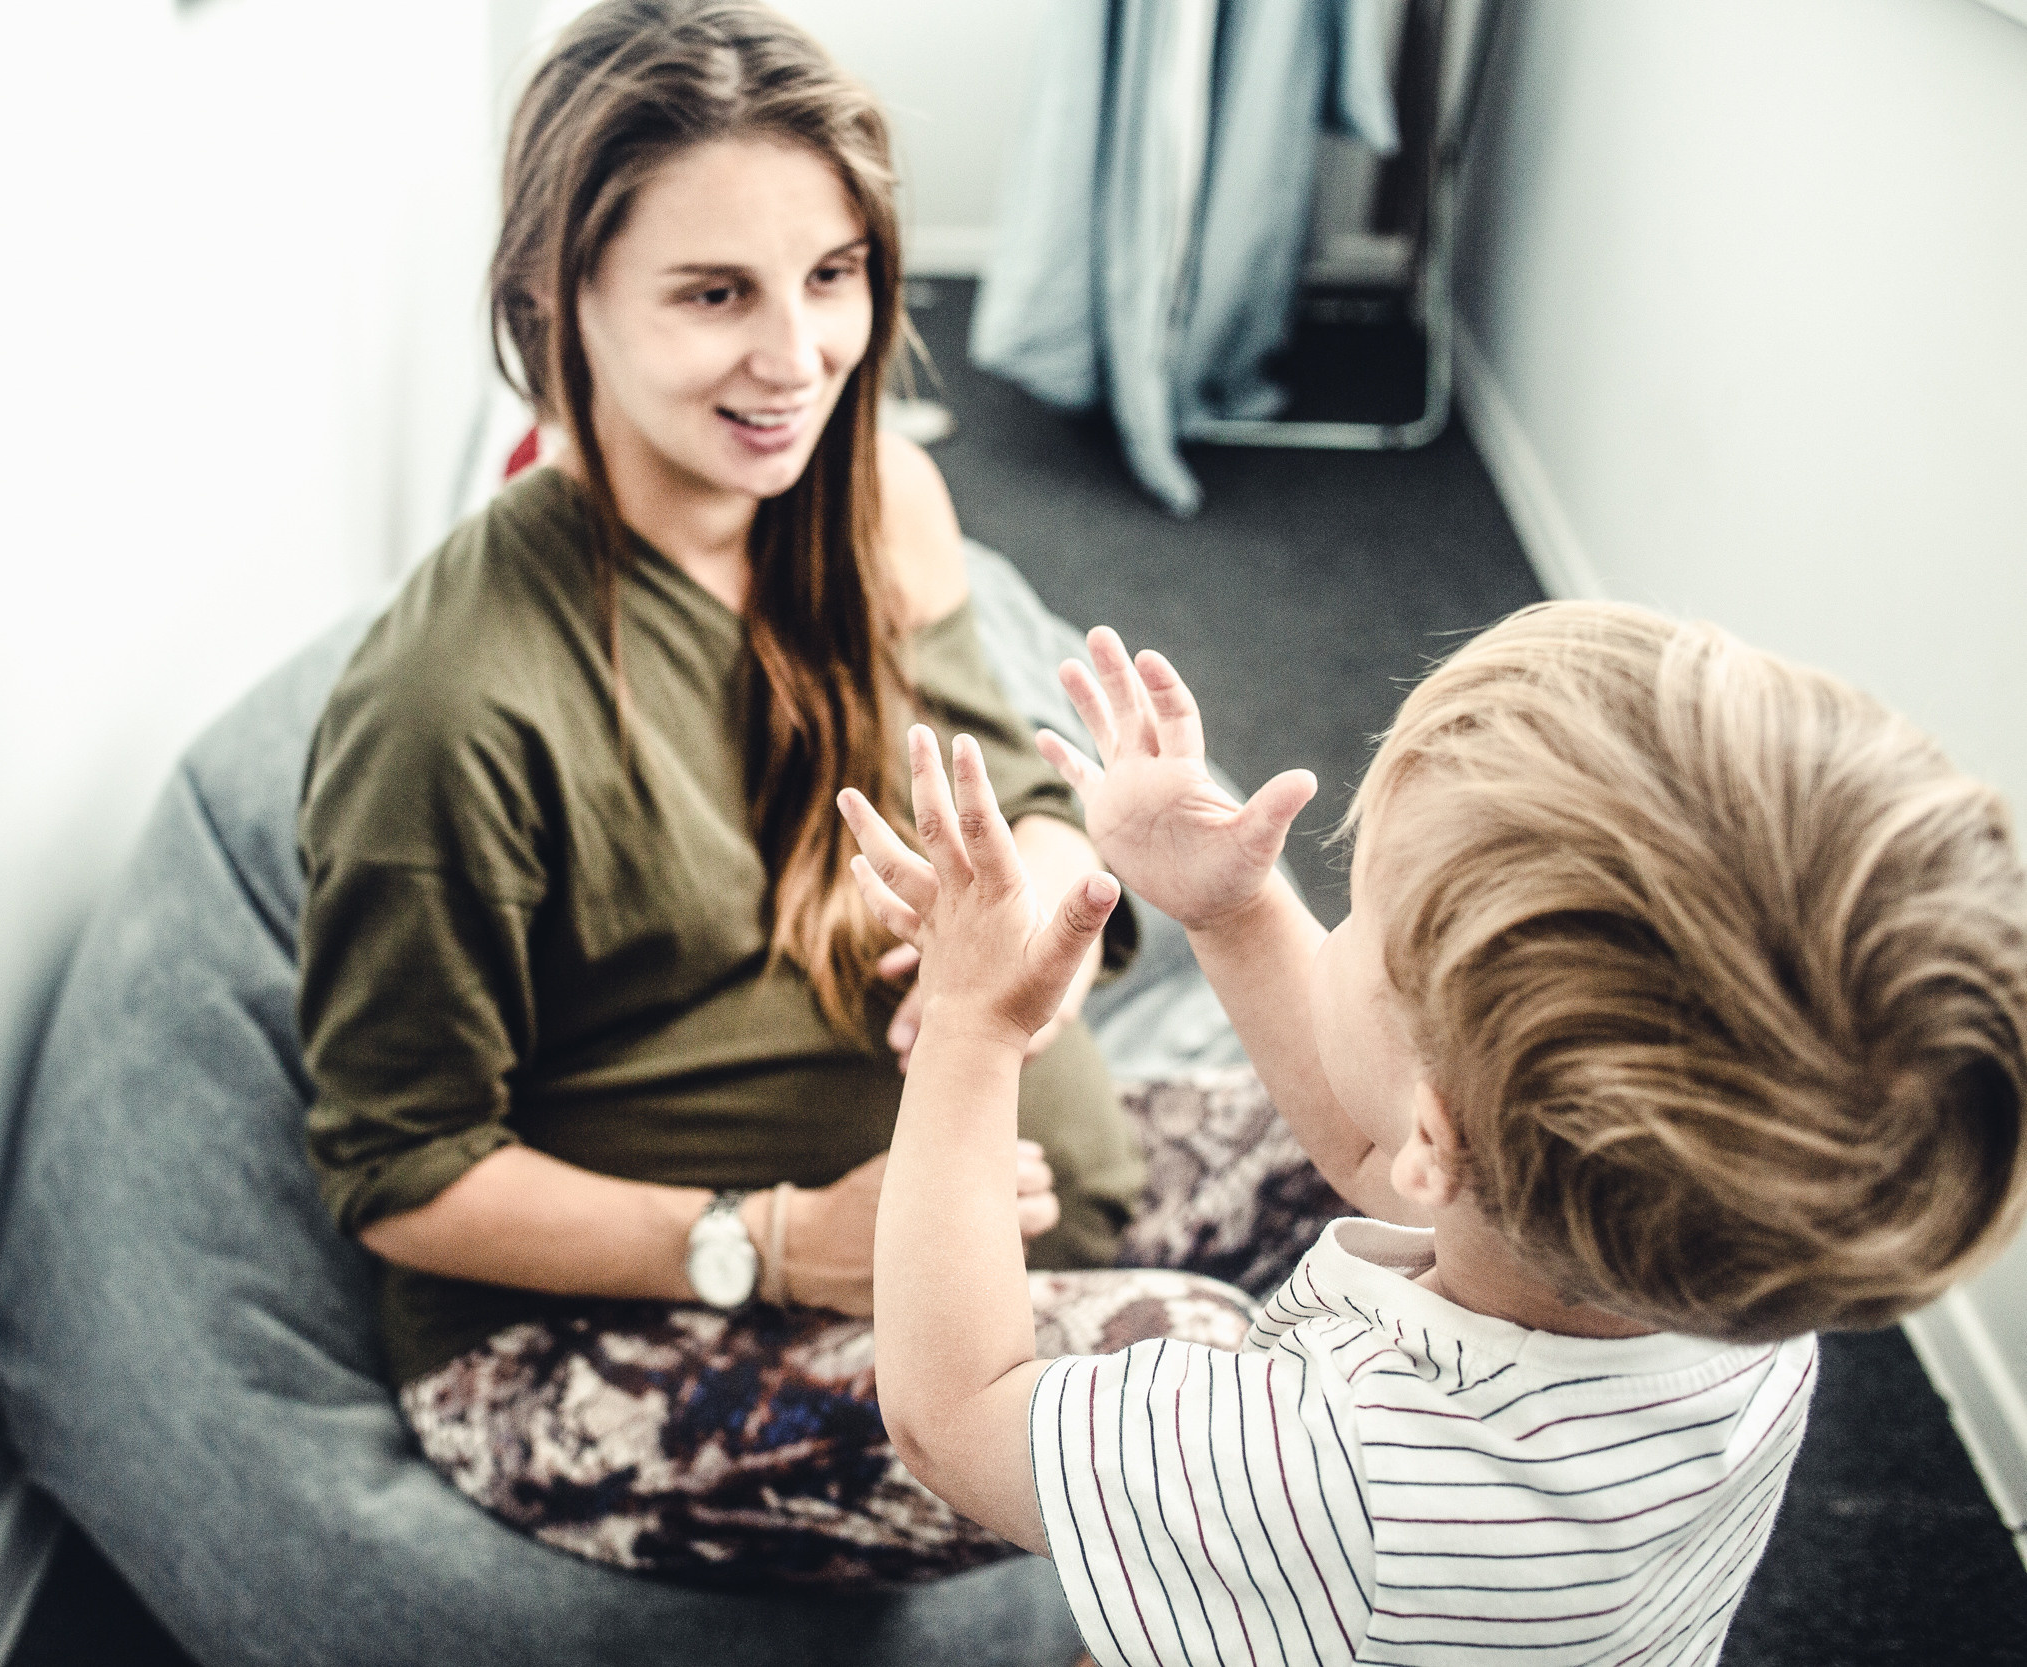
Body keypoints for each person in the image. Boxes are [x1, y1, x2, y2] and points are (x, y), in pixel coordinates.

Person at [295, 0, 1301, 1587]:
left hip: (1001, 1210)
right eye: (715, 294)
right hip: (587, 1339)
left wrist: (1028, 914)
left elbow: (1017, 784)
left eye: (832, 276)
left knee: (1476, 1094)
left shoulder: (874, 490)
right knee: (1217, 1396)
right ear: (558, 299)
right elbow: (400, 1171)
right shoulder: (449, 703)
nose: (799, 357)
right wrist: (770, 1240)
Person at [842, 602, 2027, 1662]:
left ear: (1439, 1125)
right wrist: (1234, 906)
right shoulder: (1745, 1262)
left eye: (1359, 908)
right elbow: (1382, 1163)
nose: (1335, 913)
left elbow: (954, 1413)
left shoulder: (1312, 1468)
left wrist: (970, 1025)